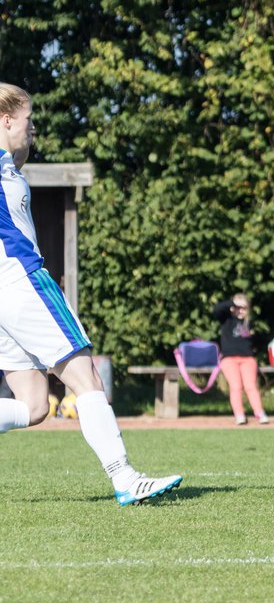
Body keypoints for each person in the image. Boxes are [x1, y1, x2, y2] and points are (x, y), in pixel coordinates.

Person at [0, 83, 182, 505]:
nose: (34, 130)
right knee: (88, 379)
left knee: (34, 407)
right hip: (25, 283)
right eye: (28, 121)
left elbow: (18, 156)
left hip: (5, 296)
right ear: (6, 121)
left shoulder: (10, 168)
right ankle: (125, 478)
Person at [213, 293, 268, 425]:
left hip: (247, 359)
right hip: (229, 359)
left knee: (250, 386)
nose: (240, 310)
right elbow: (217, 310)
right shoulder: (226, 320)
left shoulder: (250, 323)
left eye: (243, 308)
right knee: (236, 386)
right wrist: (232, 303)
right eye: (237, 307)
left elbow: (259, 341)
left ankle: (259, 413)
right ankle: (239, 414)